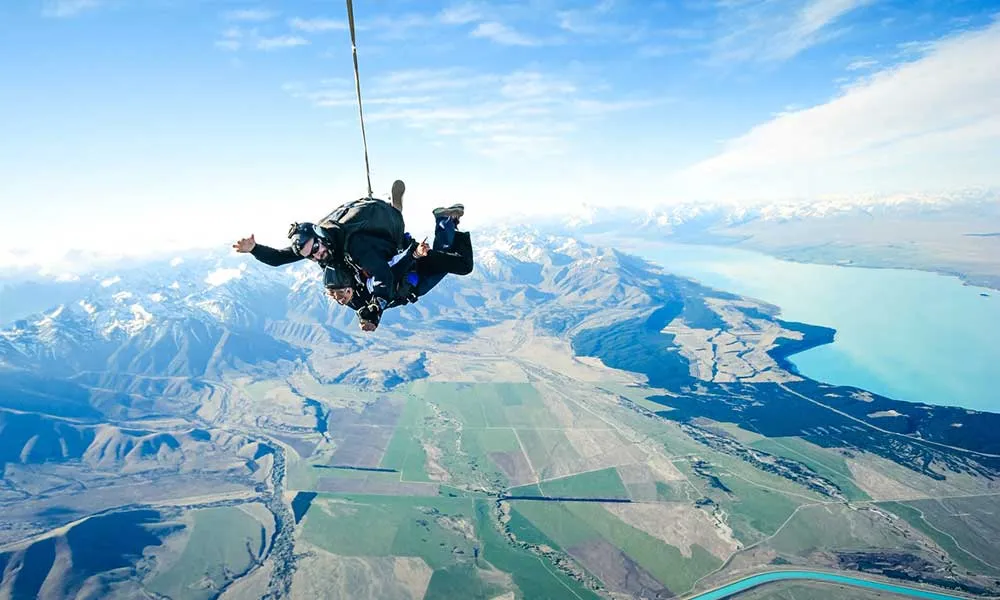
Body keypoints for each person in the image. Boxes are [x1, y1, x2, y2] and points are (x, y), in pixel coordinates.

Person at [233, 181, 409, 324]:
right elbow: (279, 258)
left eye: (316, 249)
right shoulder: (310, 245)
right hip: (350, 259)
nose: (316, 256)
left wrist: (378, 305)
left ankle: (395, 208)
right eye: (310, 255)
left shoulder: (355, 245)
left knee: (386, 258)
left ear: (321, 236)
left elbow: (382, 275)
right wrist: (254, 249)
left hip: (381, 242)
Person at [324, 203, 473, 331]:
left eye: (342, 294)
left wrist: (414, 255)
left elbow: (391, 273)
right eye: (337, 297)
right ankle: (447, 221)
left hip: (416, 275)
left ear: (348, 285)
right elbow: (369, 306)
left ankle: (447, 220)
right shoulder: (352, 296)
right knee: (447, 260)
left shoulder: (367, 285)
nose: (342, 300)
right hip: (411, 277)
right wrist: (370, 320)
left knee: (463, 265)